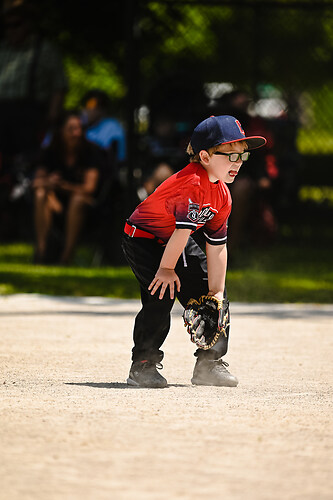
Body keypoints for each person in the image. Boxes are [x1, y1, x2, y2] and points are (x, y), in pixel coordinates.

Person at [121, 115, 266, 388]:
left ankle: (208, 364)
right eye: (230, 156)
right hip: (143, 239)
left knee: (212, 298)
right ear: (205, 156)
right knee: (162, 292)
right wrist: (165, 270)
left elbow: (217, 245)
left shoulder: (222, 194)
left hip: (175, 239)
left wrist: (217, 292)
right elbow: (180, 233)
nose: (238, 163)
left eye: (242, 157)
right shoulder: (192, 184)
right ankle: (143, 364)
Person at [32, 110, 103, 264]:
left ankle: (66, 256)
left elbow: (90, 188)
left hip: (85, 207)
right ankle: (42, 250)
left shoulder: (90, 152)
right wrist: (49, 182)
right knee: (40, 193)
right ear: (61, 131)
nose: (76, 133)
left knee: (77, 199)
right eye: (71, 129)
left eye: (79, 129)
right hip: (55, 205)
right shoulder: (51, 151)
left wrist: (63, 186)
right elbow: (36, 182)